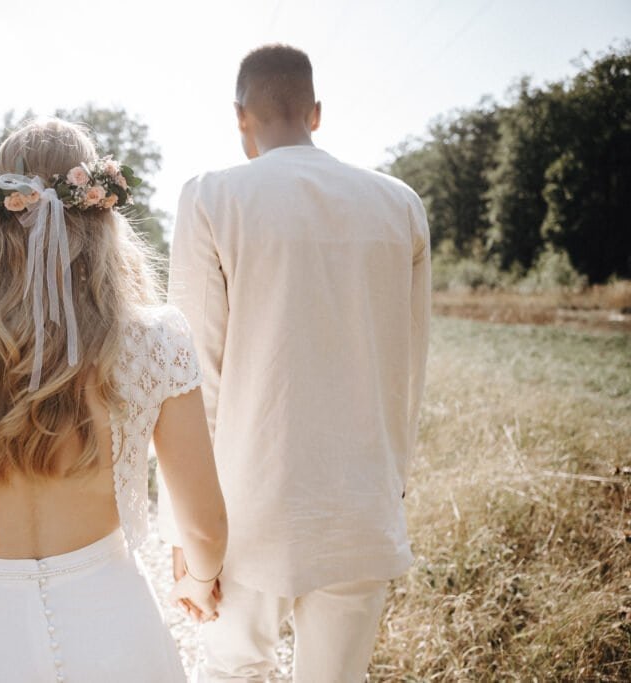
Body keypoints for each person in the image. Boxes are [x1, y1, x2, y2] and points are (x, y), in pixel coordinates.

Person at [0, 118, 227, 682]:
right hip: (114, 625)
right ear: (102, 212)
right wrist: (199, 580)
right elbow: (203, 526)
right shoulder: (155, 337)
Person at [159, 44, 431, 682]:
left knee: (234, 672)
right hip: (362, 504)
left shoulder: (211, 199)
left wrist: (187, 537)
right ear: (315, 112)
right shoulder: (400, 204)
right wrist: (392, 485)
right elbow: (409, 370)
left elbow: (191, 376)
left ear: (240, 116)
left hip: (243, 511)